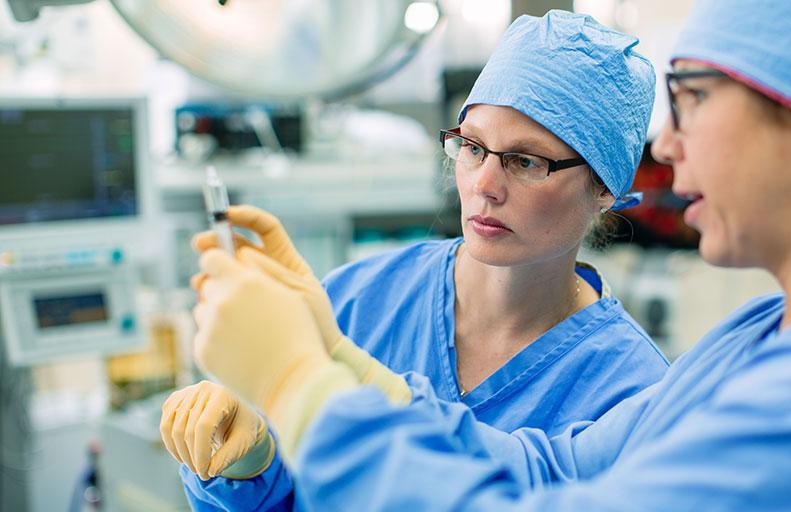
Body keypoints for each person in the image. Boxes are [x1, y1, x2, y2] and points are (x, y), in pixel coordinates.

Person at [189, 0, 791, 510]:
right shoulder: (769, 338)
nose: (667, 139)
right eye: (473, 148)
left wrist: (300, 390)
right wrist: (334, 355)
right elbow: (554, 470)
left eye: (693, 98)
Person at [160, 9, 668, 510]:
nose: (484, 186)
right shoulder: (361, 297)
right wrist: (252, 466)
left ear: (604, 188)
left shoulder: (629, 390)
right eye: (472, 147)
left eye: (525, 161)